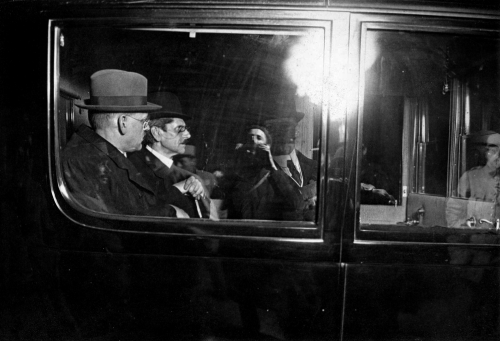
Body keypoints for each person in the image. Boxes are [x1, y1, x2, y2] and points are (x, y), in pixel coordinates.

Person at [62, 69, 187, 217]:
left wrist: (176, 192)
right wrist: (171, 213)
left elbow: (135, 203)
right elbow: (108, 228)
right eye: (144, 122)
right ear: (123, 123)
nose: (146, 129)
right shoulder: (82, 162)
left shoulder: (102, 154)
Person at [128, 91, 212, 219]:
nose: (188, 135)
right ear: (156, 133)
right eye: (179, 129)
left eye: (186, 129)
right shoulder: (130, 167)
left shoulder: (189, 178)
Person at [226, 125, 305, 221]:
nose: (253, 140)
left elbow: (296, 204)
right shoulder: (238, 176)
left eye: (259, 138)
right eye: (250, 138)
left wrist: (271, 164)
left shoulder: (273, 176)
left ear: (267, 146)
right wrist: (236, 158)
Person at [265, 114, 317, 220]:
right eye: (277, 130)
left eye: (288, 127)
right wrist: (303, 194)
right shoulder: (263, 171)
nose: (283, 134)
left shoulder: (313, 167)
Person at [446, 131, 500, 229]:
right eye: (493, 152)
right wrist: (466, 232)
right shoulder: (470, 178)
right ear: (486, 153)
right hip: (474, 240)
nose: (497, 157)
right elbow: (453, 214)